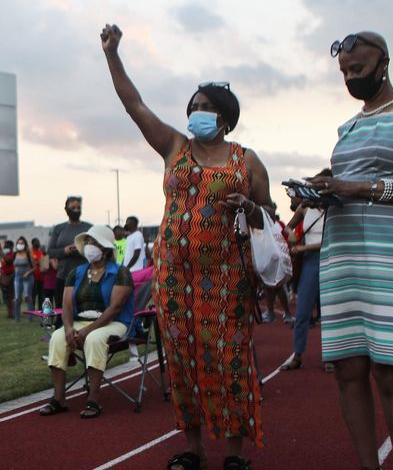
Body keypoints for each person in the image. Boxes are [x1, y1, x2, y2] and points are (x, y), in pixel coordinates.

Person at [102, 24, 272, 470]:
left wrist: (249, 207)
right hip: (174, 276)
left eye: (209, 108)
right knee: (182, 362)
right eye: (195, 106)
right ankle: (194, 448)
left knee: (229, 359)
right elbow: (133, 104)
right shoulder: (174, 146)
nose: (199, 112)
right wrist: (112, 55)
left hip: (227, 275)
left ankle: (234, 453)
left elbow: (268, 215)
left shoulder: (246, 160)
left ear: (226, 118)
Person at [307, 31, 393, 470]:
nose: (350, 78)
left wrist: (360, 187)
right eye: (344, 72)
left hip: (391, 257)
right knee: (348, 369)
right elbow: (347, 182)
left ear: (384, 65)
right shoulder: (346, 128)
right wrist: (322, 190)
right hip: (342, 256)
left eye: (358, 69)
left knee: (391, 372)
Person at [38, 225, 134, 419]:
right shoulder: (76, 273)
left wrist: (87, 330)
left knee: (95, 339)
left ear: (106, 249)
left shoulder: (121, 273)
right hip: (81, 321)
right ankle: (59, 399)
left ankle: (93, 400)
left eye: (95, 243)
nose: (90, 246)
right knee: (57, 339)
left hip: (113, 322)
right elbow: (66, 306)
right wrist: (68, 328)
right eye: (88, 242)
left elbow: (114, 309)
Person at [279, 170, 330, 372]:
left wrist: (302, 247)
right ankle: (297, 355)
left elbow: (331, 241)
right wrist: (292, 236)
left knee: (329, 313)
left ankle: (331, 357)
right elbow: (288, 228)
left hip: (329, 259)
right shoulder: (304, 208)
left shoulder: (333, 209)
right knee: (302, 312)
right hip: (310, 262)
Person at [48, 197, 93, 307]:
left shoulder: (89, 227)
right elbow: (51, 251)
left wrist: (82, 249)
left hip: (84, 276)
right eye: (73, 208)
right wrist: (65, 251)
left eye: (78, 207)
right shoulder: (59, 228)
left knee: (83, 308)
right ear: (66, 209)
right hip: (63, 276)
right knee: (61, 307)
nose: (76, 210)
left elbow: (95, 249)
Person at [11, 236, 35, 319]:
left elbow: (35, 267)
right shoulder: (15, 254)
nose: (20, 244)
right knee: (17, 298)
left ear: (25, 244)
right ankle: (17, 318)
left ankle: (30, 317)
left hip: (27, 278)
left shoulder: (28, 254)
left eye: (22, 243)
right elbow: (14, 265)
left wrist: (27, 273)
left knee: (27, 297)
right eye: (18, 243)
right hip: (17, 277)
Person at [30, 238, 47, 311]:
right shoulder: (30, 252)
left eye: (39, 242)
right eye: (37, 242)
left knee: (41, 295)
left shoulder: (41, 252)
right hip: (33, 277)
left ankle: (40, 309)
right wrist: (38, 263)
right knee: (33, 295)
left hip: (41, 277)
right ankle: (32, 309)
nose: (39, 243)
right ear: (33, 243)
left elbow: (44, 263)